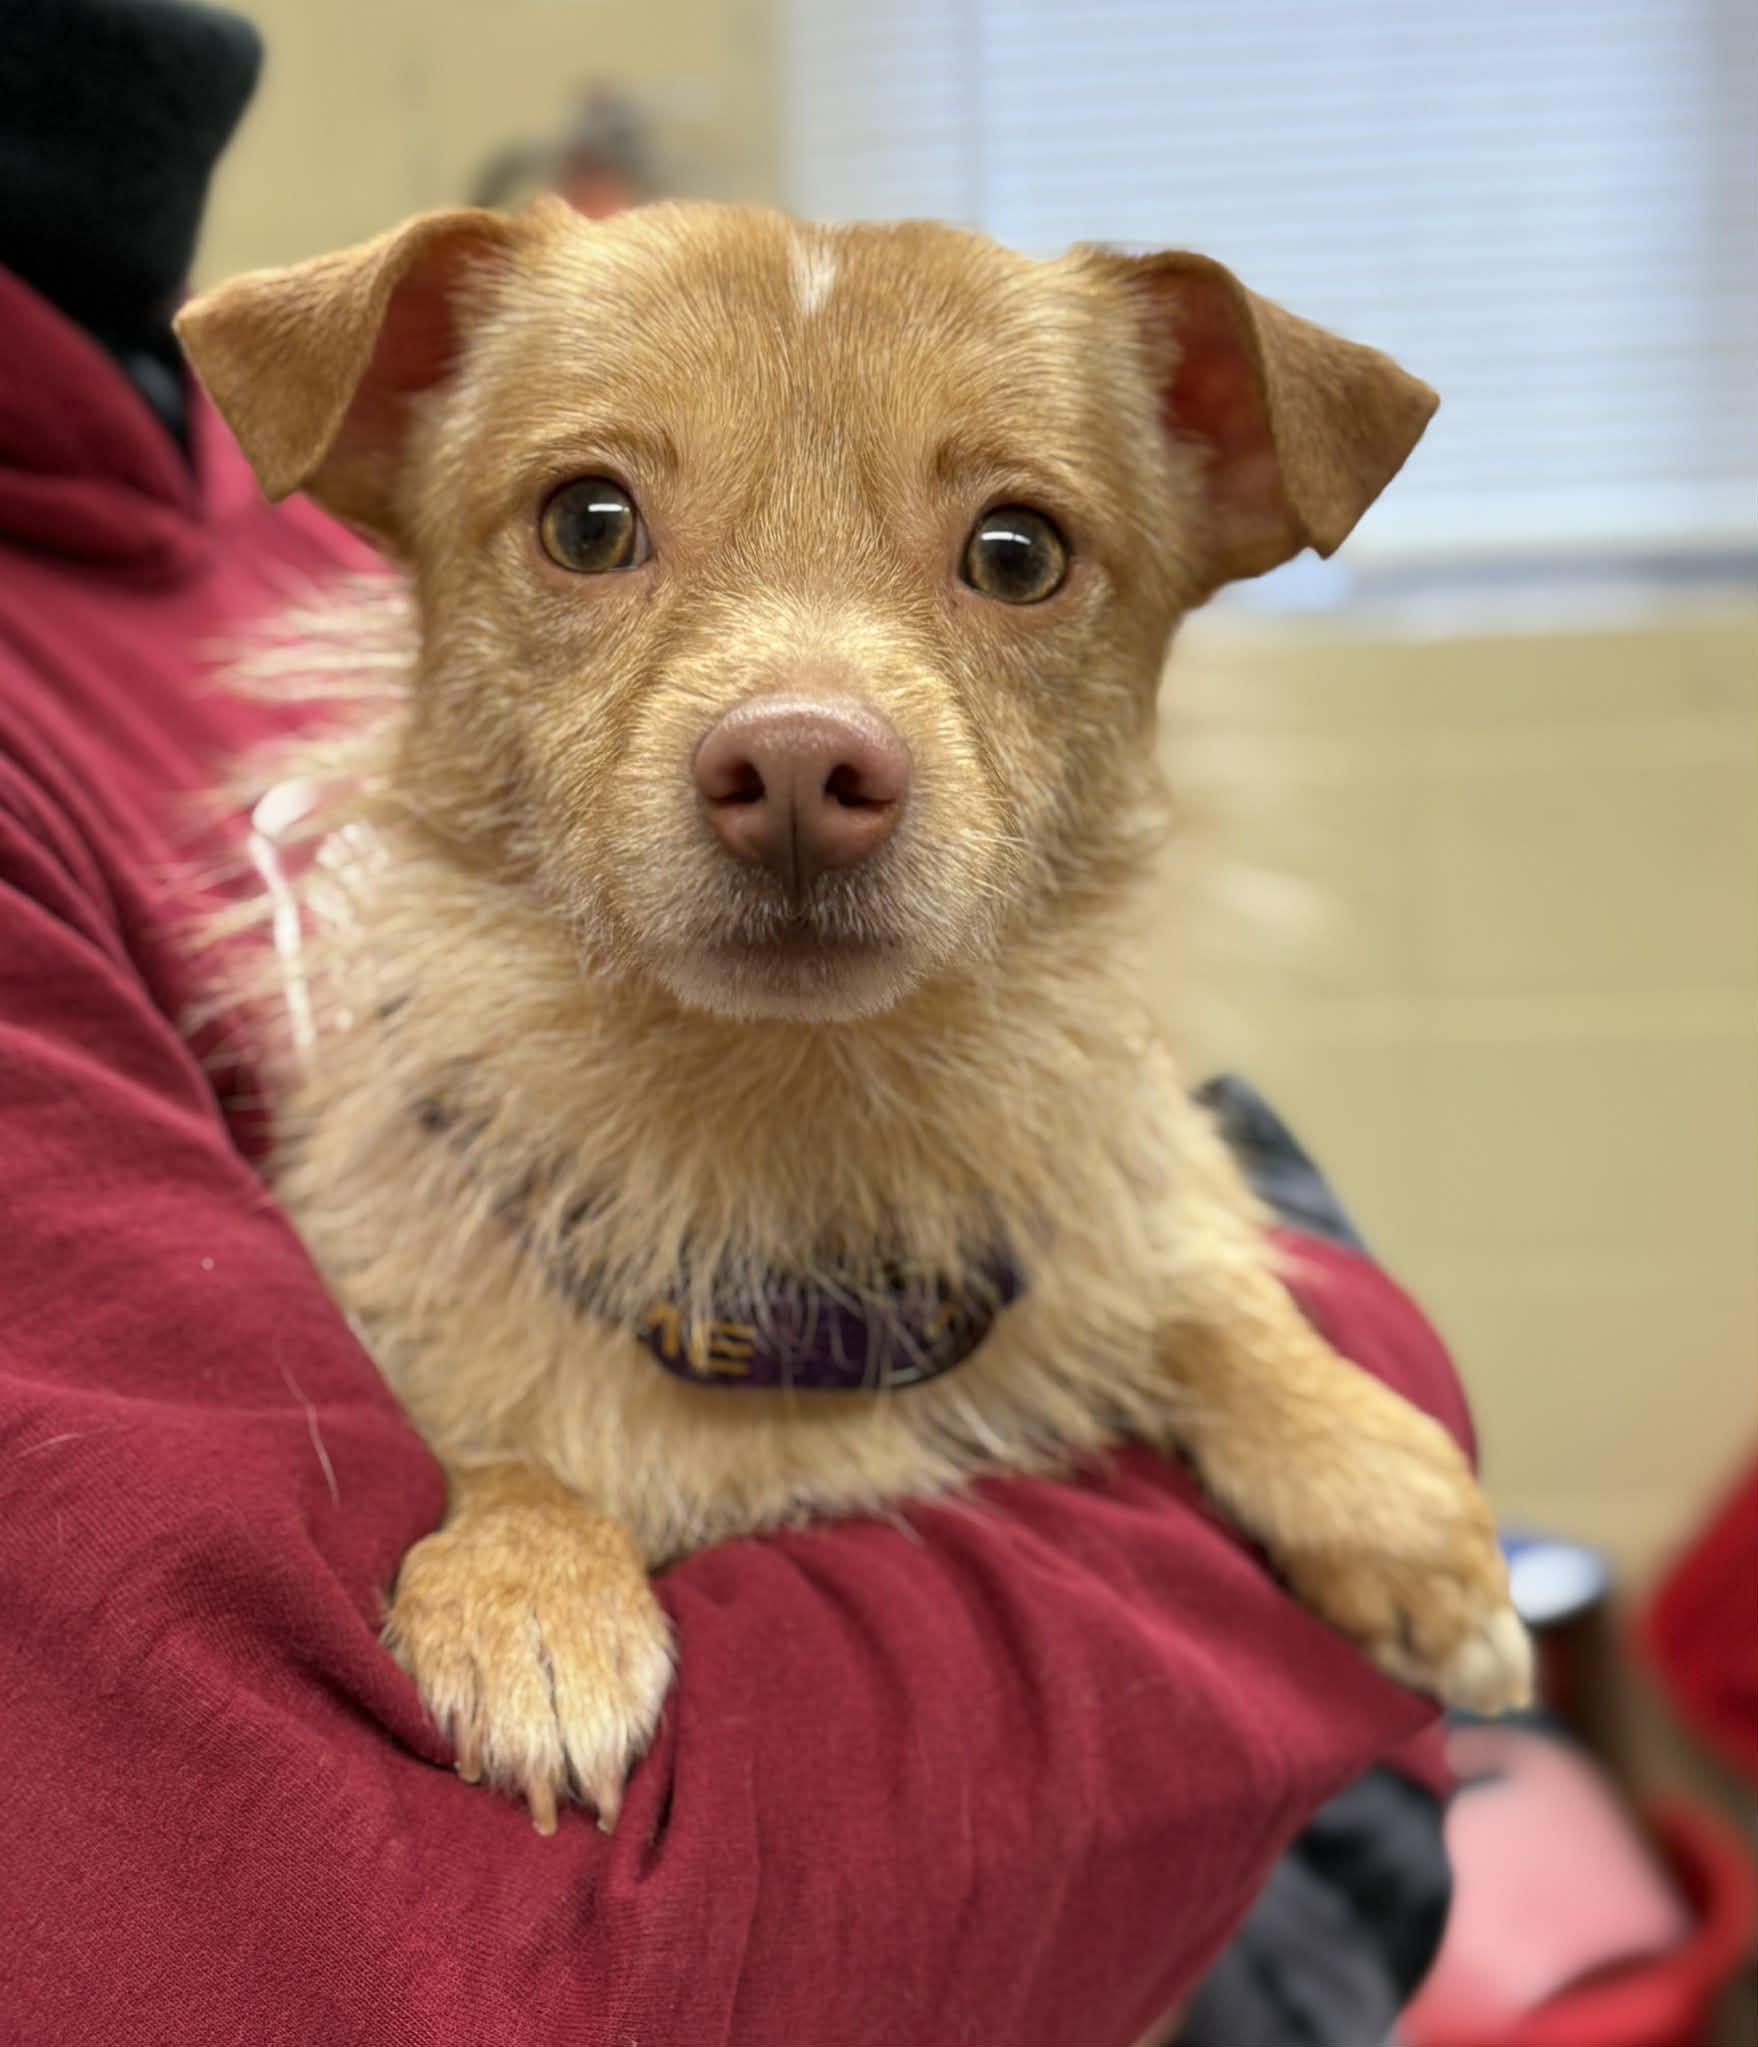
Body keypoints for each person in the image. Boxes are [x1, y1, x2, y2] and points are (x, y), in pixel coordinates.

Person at [0, 6, 1460, 2040]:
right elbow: (350, 1946)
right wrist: (519, 1507)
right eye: (598, 528)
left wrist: (1268, 1348)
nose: (801, 728)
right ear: (381, 450)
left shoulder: (194, 468)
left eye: (1010, 551)